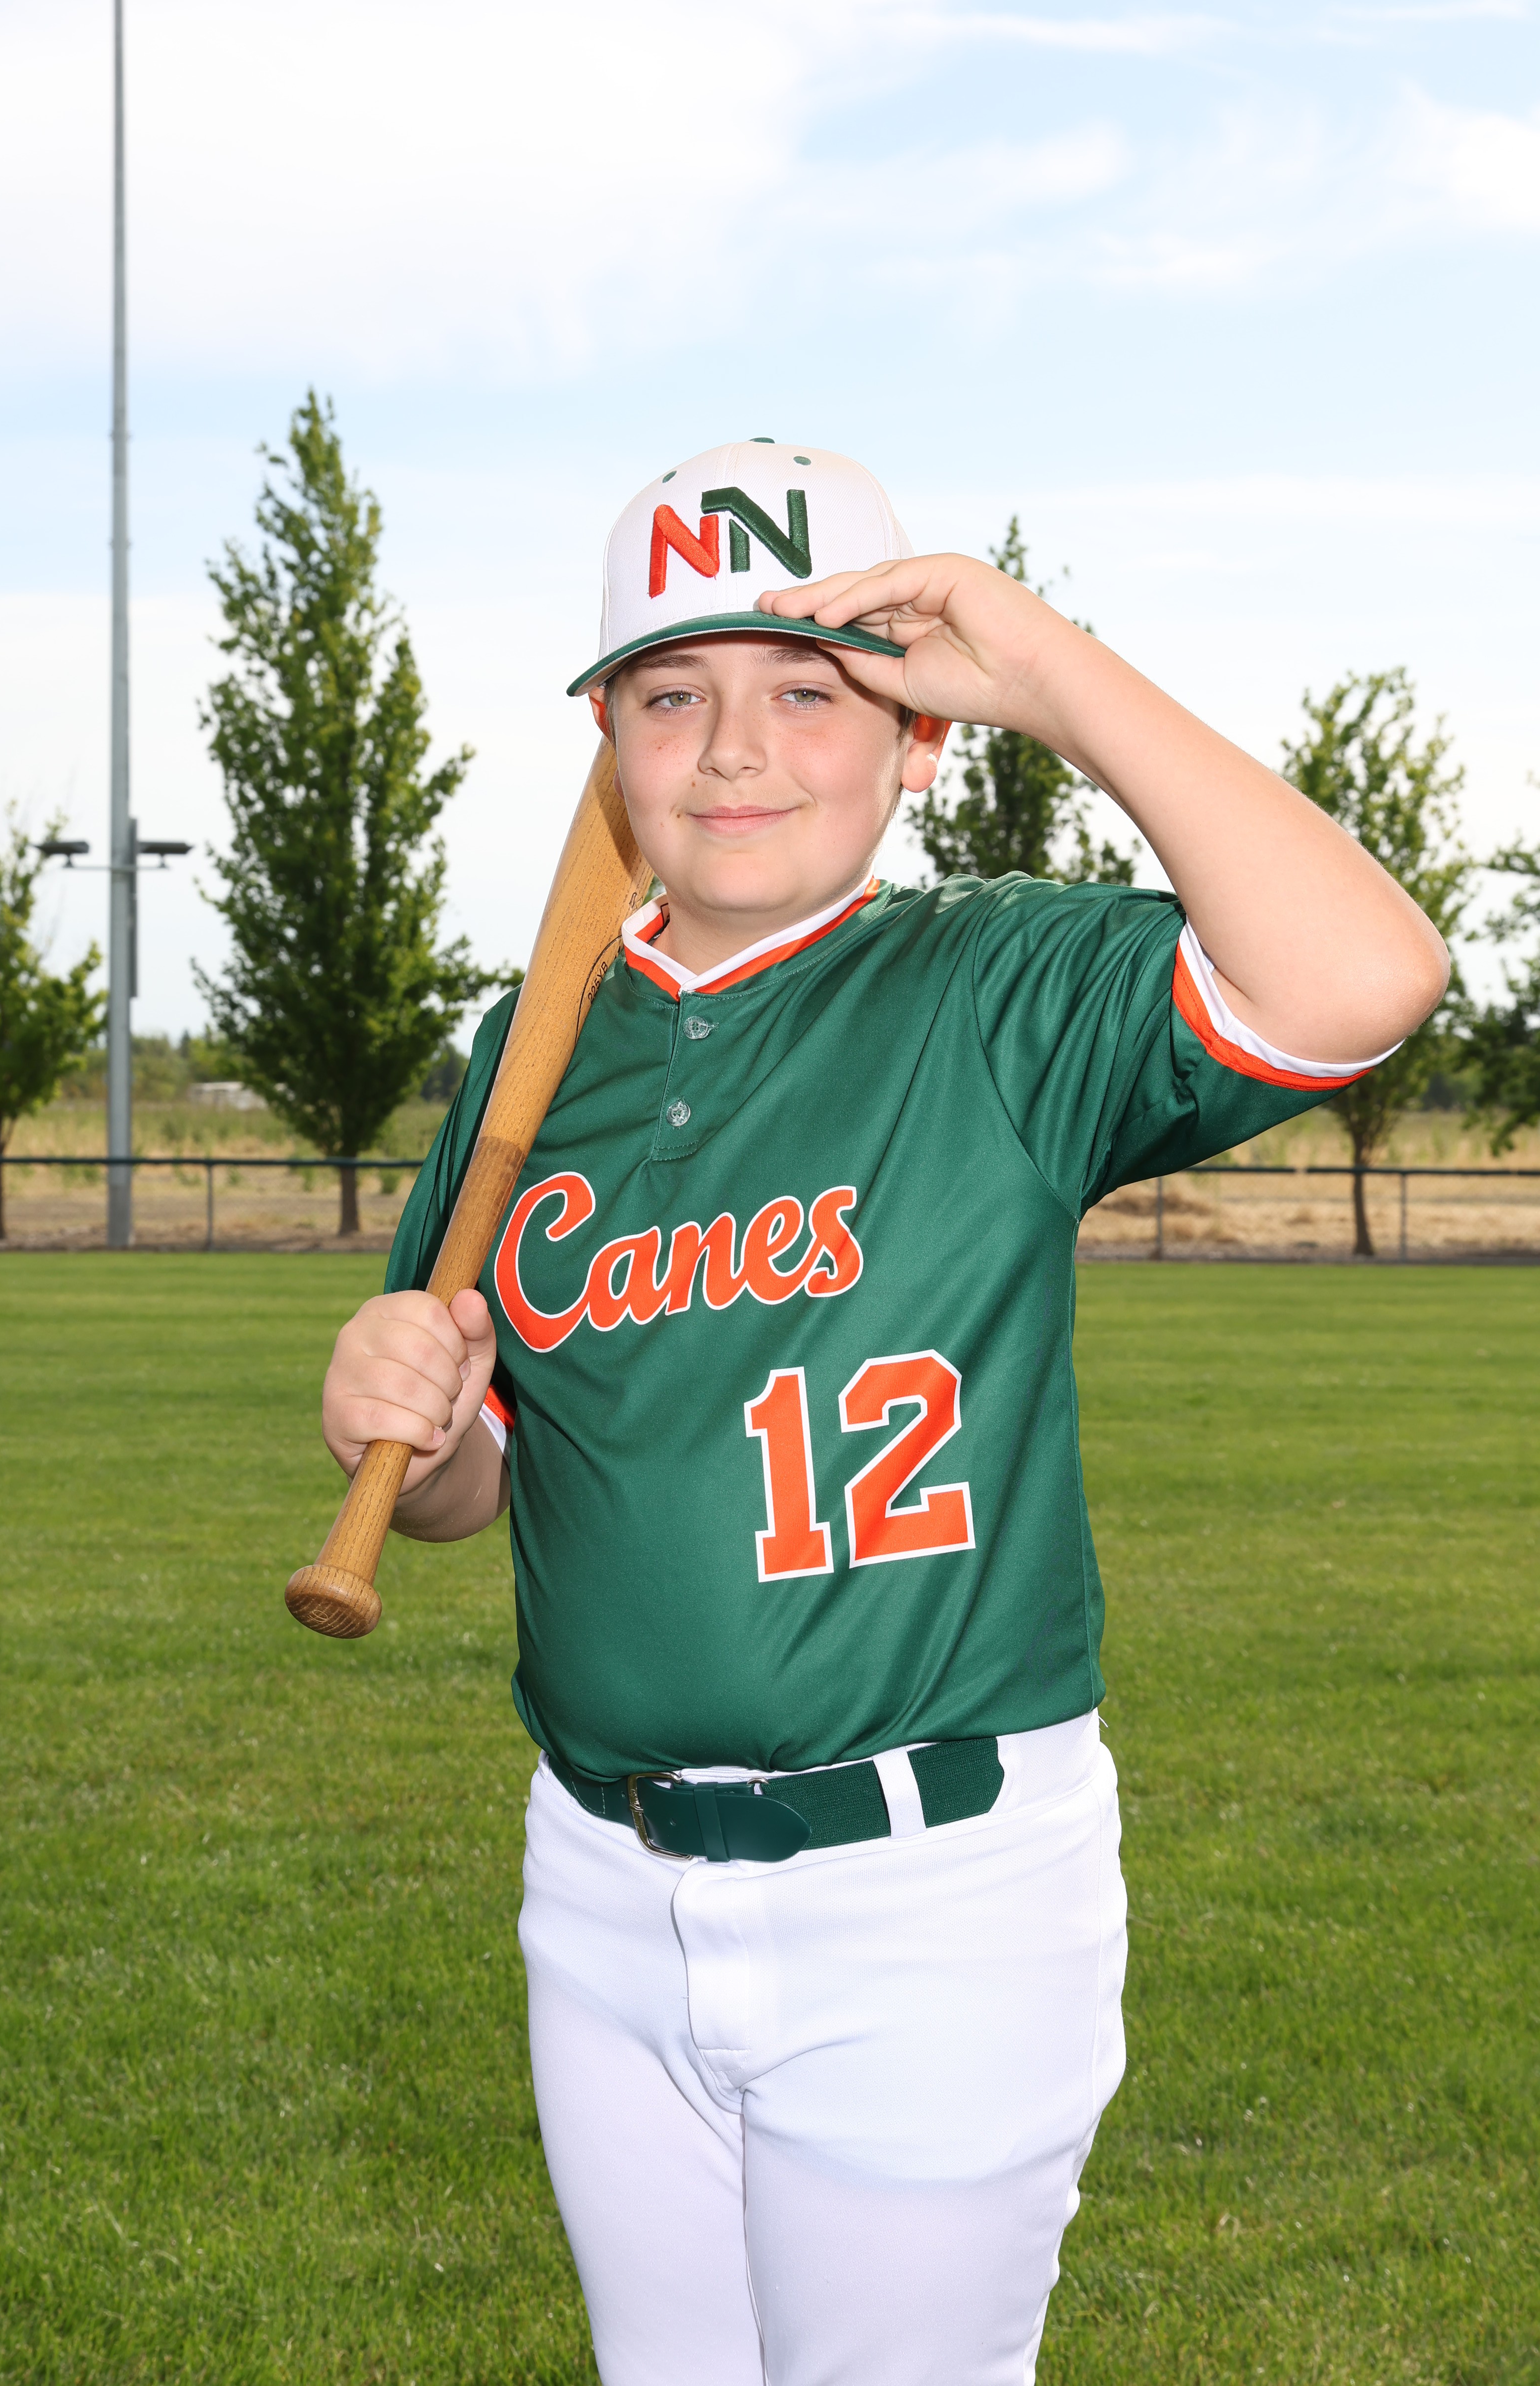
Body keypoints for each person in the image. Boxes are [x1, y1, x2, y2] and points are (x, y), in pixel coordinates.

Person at [317, 441, 1446, 2385]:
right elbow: (477, 1479)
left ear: (919, 738)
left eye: (810, 691)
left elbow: (1364, 978)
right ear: (607, 745)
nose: (735, 751)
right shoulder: (535, 1050)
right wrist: (399, 1426)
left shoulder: (992, 984)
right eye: (673, 695)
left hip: (934, 1895)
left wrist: (1049, 671)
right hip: (602, 1879)